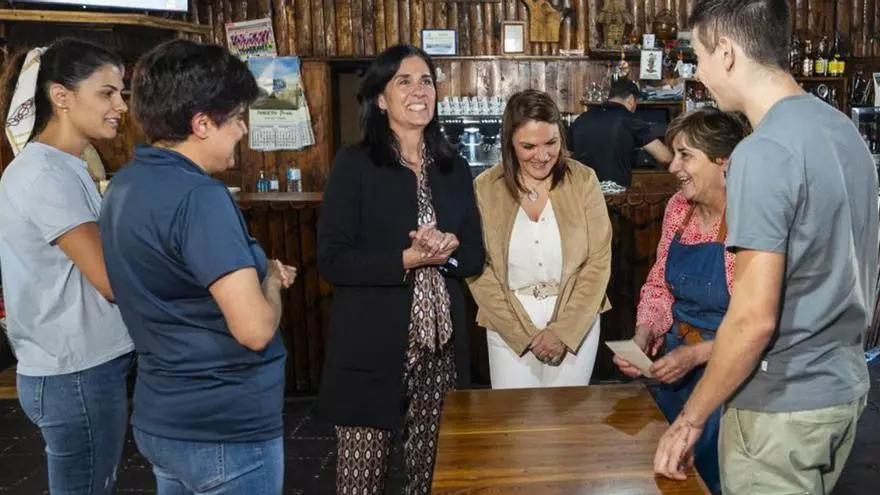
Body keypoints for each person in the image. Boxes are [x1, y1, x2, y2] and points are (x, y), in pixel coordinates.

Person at [653, 2, 878, 493]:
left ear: (727, 52)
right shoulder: (843, 130)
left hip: (780, 403)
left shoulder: (762, 151)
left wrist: (690, 419)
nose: (699, 73)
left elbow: (753, 319)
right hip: (842, 389)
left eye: (698, 58)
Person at [99, 39, 295, 494]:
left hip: (162, 419)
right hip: (224, 428)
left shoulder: (126, 183)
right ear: (202, 123)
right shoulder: (200, 197)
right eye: (238, 118)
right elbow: (255, 330)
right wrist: (269, 280)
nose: (243, 130)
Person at [316, 44, 485, 494]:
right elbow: (332, 259)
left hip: (441, 353)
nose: (418, 91)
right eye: (403, 81)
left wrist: (448, 249)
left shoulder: (454, 168)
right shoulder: (355, 163)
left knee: (434, 478)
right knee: (361, 479)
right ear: (380, 98)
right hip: (372, 349)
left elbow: (473, 257)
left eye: (426, 81)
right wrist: (404, 259)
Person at [0, 39, 134, 493]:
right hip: (74, 371)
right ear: (61, 96)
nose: (121, 106)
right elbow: (111, 280)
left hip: (81, 366)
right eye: (107, 93)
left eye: (121, 93)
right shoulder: (45, 174)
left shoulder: (65, 165)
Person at [613, 108, 750, 493]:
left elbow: (756, 322)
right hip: (677, 368)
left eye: (685, 155)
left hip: (731, 375)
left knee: (721, 478)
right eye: (674, 154)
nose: (673, 166)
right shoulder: (679, 208)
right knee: (673, 477)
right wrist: (643, 336)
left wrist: (697, 355)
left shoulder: (750, 216)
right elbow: (660, 284)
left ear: (723, 161)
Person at [468, 89, 612, 389]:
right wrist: (522, 335)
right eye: (529, 146)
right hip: (508, 324)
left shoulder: (583, 180)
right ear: (509, 142)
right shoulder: (485, 187)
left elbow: (598, 262)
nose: (543, 156)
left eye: (551, 143)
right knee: (515, 416)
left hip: (576, 321)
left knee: (568, 415)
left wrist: (564, 332)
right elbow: (479, 270)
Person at [567, 78, 672, 186]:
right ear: (631, 99)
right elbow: (665, 157)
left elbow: (567, 155)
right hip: (615, 191)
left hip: (583, 189)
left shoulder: (582, 118)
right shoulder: (631, 120)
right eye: (636, 103)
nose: (635, 108)